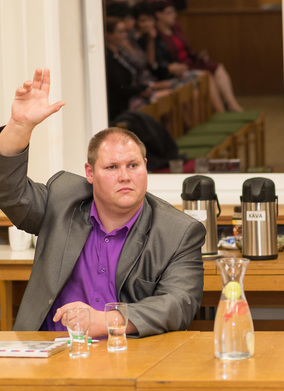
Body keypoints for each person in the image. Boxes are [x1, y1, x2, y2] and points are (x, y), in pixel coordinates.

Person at [0, 69, 207, 338]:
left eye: (133, 165)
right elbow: (11, 193)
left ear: (145, 166)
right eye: (111, 167)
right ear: (90, 173)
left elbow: (180, 303)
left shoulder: (177, 231)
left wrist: (108, 320)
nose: (125, 176)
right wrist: (19, 127)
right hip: (49, 348)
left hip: (123, 351)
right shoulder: (62, 200)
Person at [152, 1, 244, 113]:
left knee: (218, 67)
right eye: (169, 13)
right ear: (158, 15)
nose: (174, 15)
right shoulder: (156, 35)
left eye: (174, 12)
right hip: (180, 68)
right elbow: (162, 61)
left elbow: (187, 48)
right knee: (206, 76)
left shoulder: (176, 28)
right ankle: (221, 112)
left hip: (190, 61)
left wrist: (198, 56)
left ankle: (231, 104)